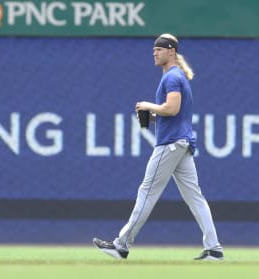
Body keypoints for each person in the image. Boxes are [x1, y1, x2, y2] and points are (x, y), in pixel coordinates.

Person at [93, 34, 224, 261]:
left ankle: (120, 245)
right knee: (195, 197)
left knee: (147, 192)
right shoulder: (176, 76)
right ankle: (214, 249)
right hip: (181, 142)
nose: (155, 52)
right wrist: (153, 116)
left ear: (171, 52)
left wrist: (147, 105)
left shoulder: (172, 77)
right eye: (154, 49)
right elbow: (174, 113)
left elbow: (172, 109)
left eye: (160, 49)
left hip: (171, 144)